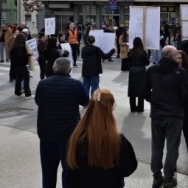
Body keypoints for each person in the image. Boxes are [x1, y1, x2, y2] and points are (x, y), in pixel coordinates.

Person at [142, 46, 188, 188]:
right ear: (171, 57)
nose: (178, 57)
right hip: (174, 114)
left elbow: (144, 90)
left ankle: (157, 176)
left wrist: (154, 100)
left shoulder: (152, 70)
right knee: (172, 147)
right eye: (176, 54)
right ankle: (169, 179)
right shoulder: (179, 72)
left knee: (156, 146)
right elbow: (186, 94)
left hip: (157, 113)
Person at [65, 89, 138, 187]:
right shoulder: (118, 141)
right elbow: (129, 168)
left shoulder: (76, 138)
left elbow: (70, 175)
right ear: (110, 109)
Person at [35, 57, 89, 188]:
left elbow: (38, 101)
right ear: (70, 69)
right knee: (69, 171)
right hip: (68, 135)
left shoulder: (42, 84)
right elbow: (86, 101)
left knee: (48, 171)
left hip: (46, 133)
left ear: (53, 69)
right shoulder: (76, 85)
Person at [128, 37, 150, 113]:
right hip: (141, 70)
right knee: (141, 88)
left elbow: (128, 62)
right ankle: (140, 107)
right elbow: (147, 63)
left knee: (132, 88)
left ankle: (133, 107)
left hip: (133, 70)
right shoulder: (143, 52)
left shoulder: (130, 52)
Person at [11, 33, 33, 99]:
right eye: (24, 38)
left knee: (19, 79)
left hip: (16, 65)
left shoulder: (14, 45)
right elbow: (20, 56)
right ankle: (28, 94)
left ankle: (17, 93)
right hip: (21, 65)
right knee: (26, 78)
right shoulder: (20, 46)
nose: (25, 39)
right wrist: (28, 55)